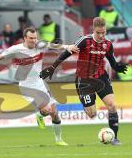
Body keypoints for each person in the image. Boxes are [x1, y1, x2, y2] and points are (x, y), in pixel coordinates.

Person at [0, 27, 79, 146]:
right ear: (25, 38)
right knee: (47, 109)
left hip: (39, 82)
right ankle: (41, 113)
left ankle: (58, 139)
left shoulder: (40, 45)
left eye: (35, 38)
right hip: (26, 86)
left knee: (54, 112)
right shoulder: (15, 49)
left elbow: (54, 45)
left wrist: (68, 47)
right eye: (31, 38)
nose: (34, 40)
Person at [40, 17, 127, 145]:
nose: (102, 35)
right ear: (94, 30)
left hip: (101, 77)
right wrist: (52, 68)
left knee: (112, 105)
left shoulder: (108, 44)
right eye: (99, 33)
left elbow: (112, 61)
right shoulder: (84, 41)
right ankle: (48, 111)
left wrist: (117, 67)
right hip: (84, 79)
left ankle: (115, 138)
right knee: (92, 114)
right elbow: (67, 52)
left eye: (104, 32)